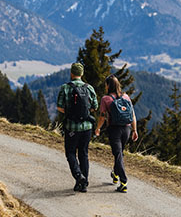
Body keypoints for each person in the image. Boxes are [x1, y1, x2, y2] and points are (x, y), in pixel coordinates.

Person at [57, 62, 98, 193]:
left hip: (71, 127)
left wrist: (70, 113)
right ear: (82, 74)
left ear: (72, 73)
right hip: (87, 127)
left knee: (70, 153)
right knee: (83, 154)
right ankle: (83, 183)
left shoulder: (65, 88)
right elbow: (95, 106)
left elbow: (59, 107)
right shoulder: (89, 88)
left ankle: (78, 176)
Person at [95, 74, 138, 193]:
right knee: (119, 154)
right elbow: (133, 115)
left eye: (106, 85)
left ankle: (123, 182)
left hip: (114, 129)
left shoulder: (106, 99)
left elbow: (102, 116)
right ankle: (115, 174)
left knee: (118, 154)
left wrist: (98, 128)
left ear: (108, 85)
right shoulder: (126, 97)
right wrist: (135, 130)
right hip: (127, 129)